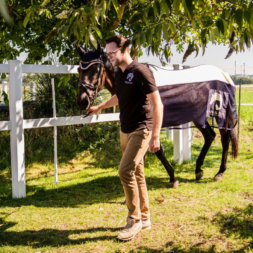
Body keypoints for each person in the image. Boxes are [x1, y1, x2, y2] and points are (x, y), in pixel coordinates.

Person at [88, 35, 163, 241]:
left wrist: (155, 136)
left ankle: (134, 220)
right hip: (125, 130)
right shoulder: (119, 74)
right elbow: (119, 97)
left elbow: (157, 104)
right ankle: (145, 217)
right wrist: (100, 107)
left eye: (113, 53)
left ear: (125, 50)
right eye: (108, 53)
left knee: (125, 171)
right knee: (137, 173)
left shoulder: (140, 71)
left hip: (141, 129)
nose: (110, 57)